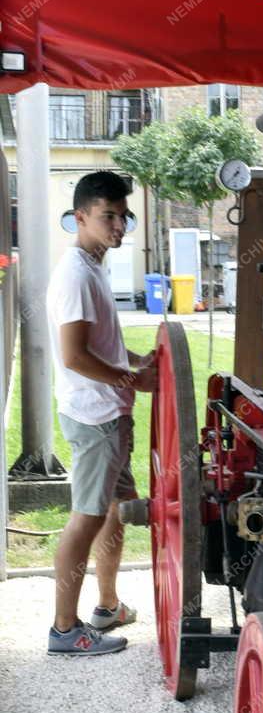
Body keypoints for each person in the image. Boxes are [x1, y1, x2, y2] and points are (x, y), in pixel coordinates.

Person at [44, 171, 157, 656]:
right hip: (96, 419)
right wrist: (135, 381)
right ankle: (64, 631)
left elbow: (100, 343)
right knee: (86, 519)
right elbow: (74, 356)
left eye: (123, 215)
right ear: (80, 216)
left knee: (113, 512)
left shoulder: (92, 268)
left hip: (108, 414)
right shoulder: (74, 274)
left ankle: (108, 606)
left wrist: (135, 361)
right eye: (108, 215)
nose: (119, 225)